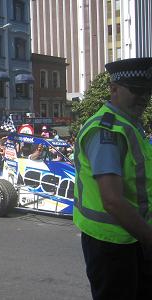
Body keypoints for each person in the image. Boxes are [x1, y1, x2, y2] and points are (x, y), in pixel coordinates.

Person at [73, 57, 152, 300]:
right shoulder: (106, 130)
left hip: (131, 236)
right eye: (136, 90)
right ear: (114, 89)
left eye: (148, 92)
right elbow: (112, 200)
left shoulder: (129, 125)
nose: (143, 98)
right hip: (113, 244)